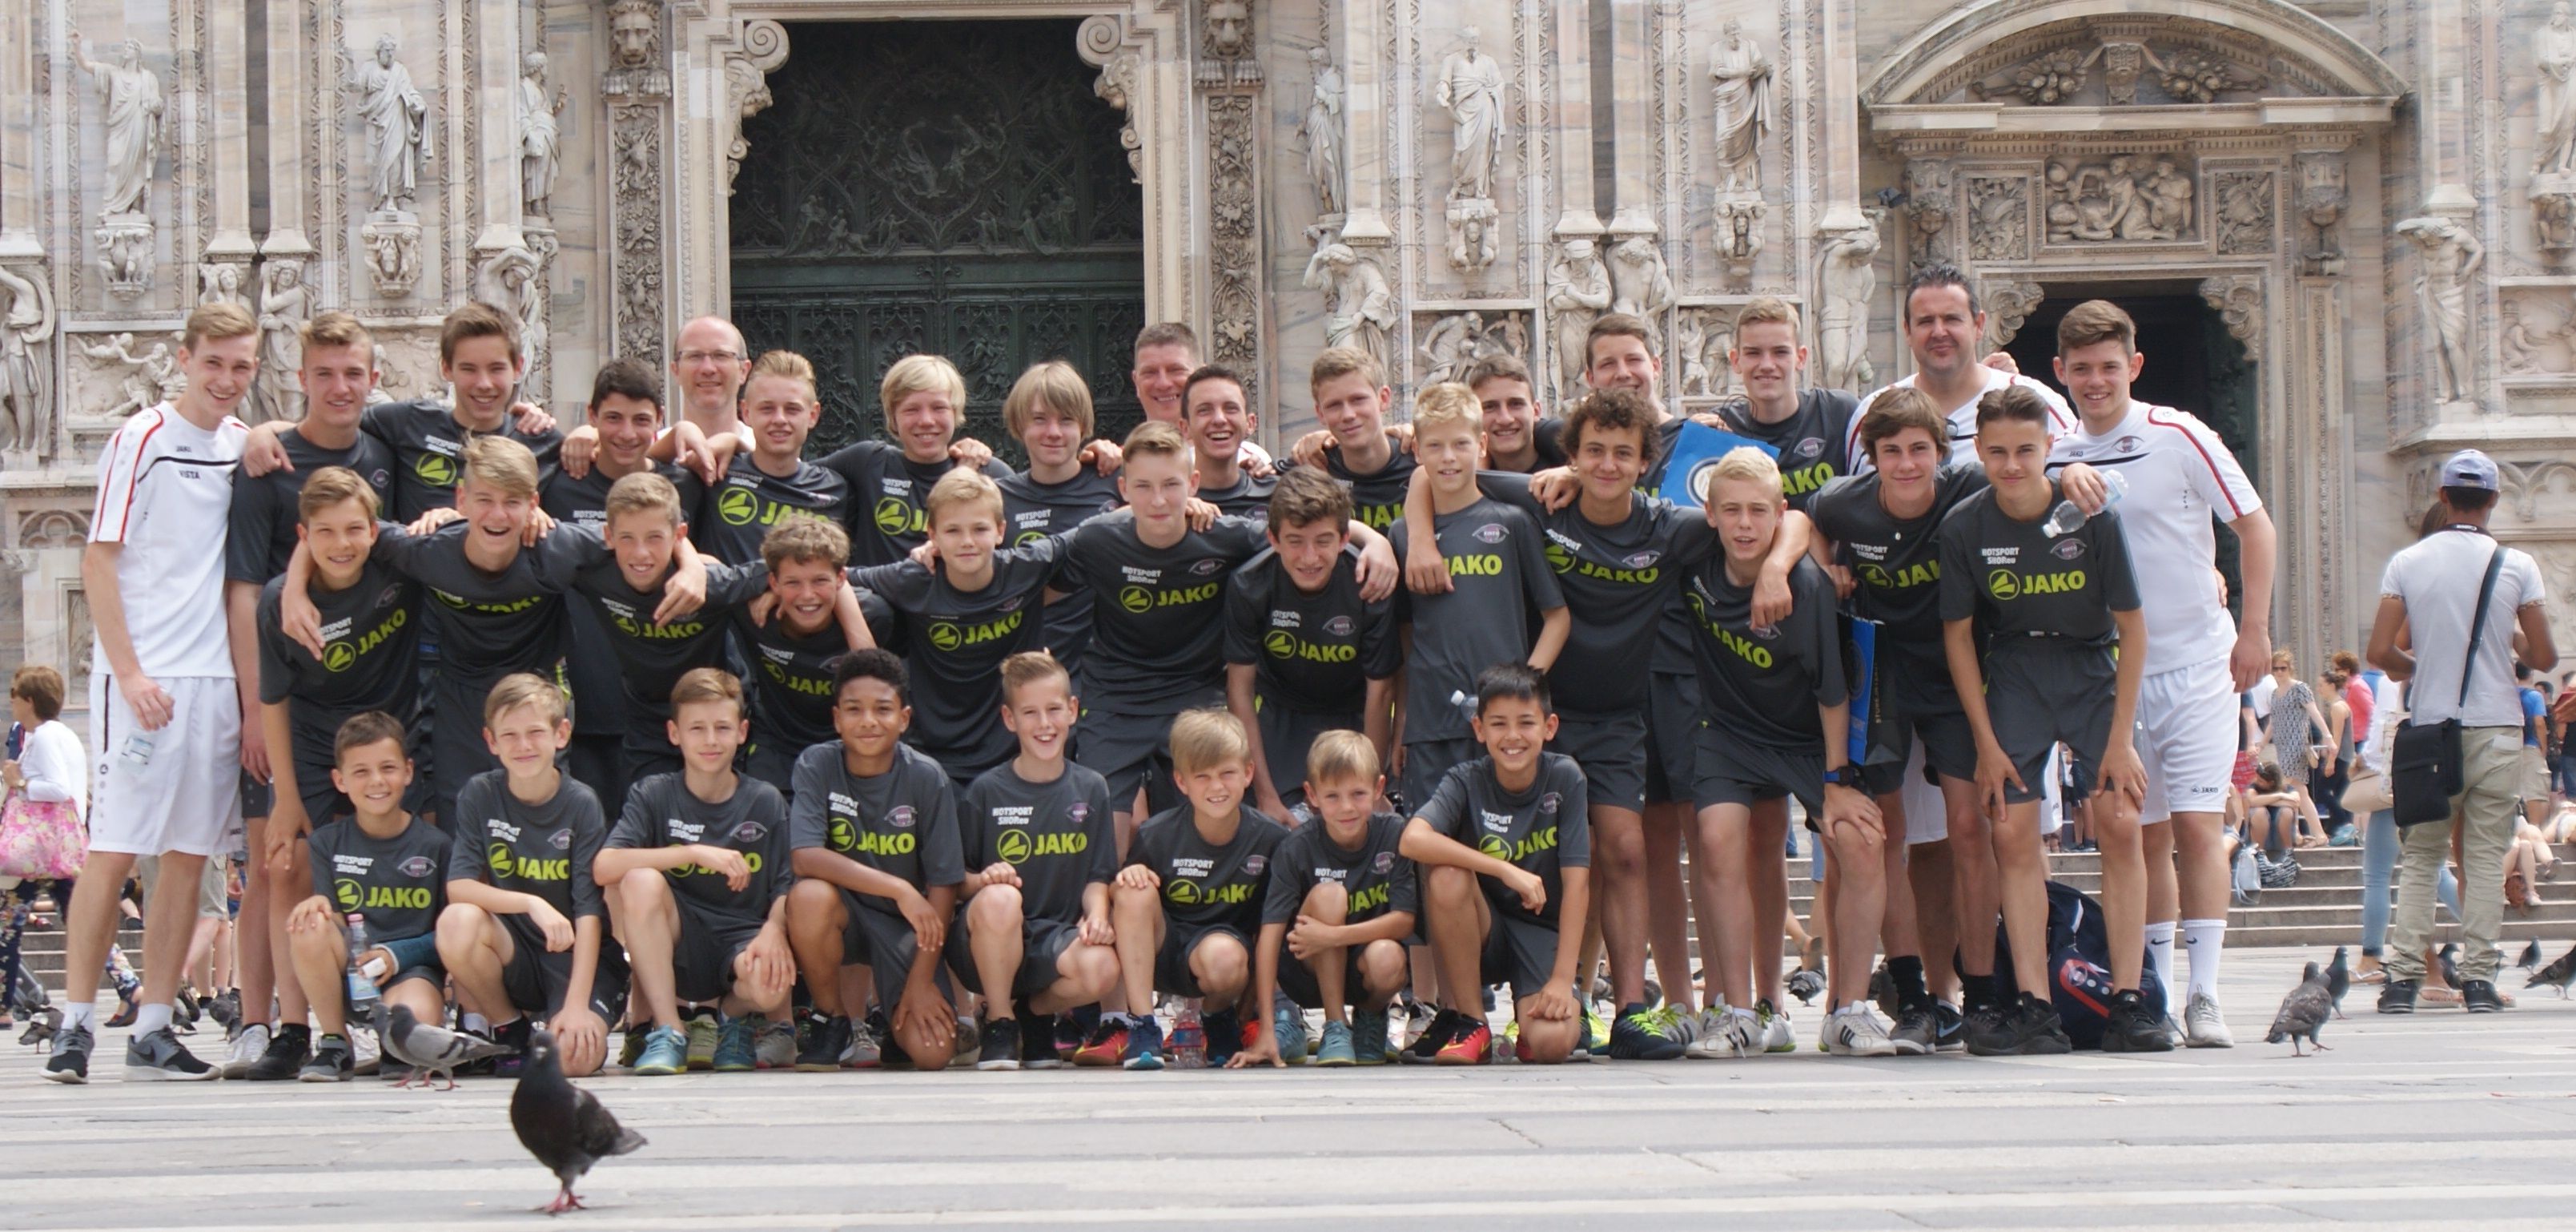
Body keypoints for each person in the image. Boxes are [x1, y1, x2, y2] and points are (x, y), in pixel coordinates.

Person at [1409, 387, 1720, 1059]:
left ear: (1644, 463)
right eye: (1593, 452)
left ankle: (1629, 1007)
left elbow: (1781, 515)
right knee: (1505, 859)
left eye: (1622, 454)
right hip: (1532, 716)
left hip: (1612, 718)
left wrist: (1778, 565)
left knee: (1624, 851)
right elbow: (1432, 471)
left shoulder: (1669, 526)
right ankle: (1488, 1007)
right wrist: (1414, 539)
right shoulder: (1537, 501)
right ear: (1571, 456)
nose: (1607, 465)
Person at [2044, 298, 2273, 1049]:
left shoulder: (2179, 434)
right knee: (2140, 836)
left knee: (2198, 828)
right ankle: (2156, 993)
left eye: (2108, 367)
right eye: (2081, 369)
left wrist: (2253, 628)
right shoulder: (2053, 457)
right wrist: (2062, 474)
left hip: (2197, 661)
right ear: (2061, 372)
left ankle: (2206, 993)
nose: (2096, 381)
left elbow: (2253, 525)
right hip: (2114, 677)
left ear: (2133, 366)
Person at [51, 303, 255, 1085]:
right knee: (113, 847)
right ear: (184, 359)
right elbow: (98, 559)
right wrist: (130, 672)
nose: (226, 379)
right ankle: (74, 1022)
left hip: (215, 680)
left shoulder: (241, 445)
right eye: (214, 363)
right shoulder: (141, 438)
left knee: (188, 856)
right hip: (145, 679)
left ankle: (156, 1024)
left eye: (241, 366)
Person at [1938, 383, 2150, 1055]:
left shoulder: (2089, 515)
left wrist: (2120, 740)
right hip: (2016, 672)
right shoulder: (1965, 526)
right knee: (2010, 833)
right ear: (1978, 450)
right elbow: (1957, 637)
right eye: (1997, 452)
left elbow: (2133, 628)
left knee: (2120, 821)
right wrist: (1984, 743)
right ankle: (2034, 1003)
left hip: (2089, 669)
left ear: (2048, 448)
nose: (2011, 465)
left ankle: (2128, 998)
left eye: (2025, 451)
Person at [1051, 421, 1394, 833]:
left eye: (1171, 485)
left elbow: (1312, 529)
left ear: (1193, 484)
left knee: (1211, 823)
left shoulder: (1228, 538)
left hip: (1195, 697)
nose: (1158, 499)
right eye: (1143, 487)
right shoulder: (1097, 539)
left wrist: (1377, 542)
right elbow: (1037, 586)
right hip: (1116, 700)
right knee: (1106, 838)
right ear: (1124, 489)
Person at [221, 312, 392, 1081]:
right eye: (324, 374)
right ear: (299, 379)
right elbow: (245, 587)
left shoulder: (385, 445)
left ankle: (378, 1018)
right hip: (289, 703)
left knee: (387, 858)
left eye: (352, 373)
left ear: (374, 378)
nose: (339, 387)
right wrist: (253, 710)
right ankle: (275, 1025)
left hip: (379, 711)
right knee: (279, 860)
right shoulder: (267, 463)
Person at [1682, 448, 1883, 1056]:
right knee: (1717, 838)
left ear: (1778, 513)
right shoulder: (1692, 554)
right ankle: (1737, 1011)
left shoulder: (1805, 585)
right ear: (1710, 514)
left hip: (1806, 738)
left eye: (1758, 512)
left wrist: (1837, 783)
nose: (1744, 524)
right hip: (1730, 733)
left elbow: (1832, 691)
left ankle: (1848, 1011)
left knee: (1860, 841)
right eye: (1731, 511)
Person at [1807, 388, 1991, 1053]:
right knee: (1886, 831)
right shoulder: (1843, 501)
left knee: (1970, 827)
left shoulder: (1970, 487)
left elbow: (2035, 481)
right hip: (1881, 676)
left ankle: (1979, 993)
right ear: (1871, 458)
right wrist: (1820, 567)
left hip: (1953, 673)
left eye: (1919, 449)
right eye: (1891, 451)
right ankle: (1912, 994)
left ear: (1941, 453)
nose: (1906, 464)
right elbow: (1806, 521)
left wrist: (2081, 473)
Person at [2366, 449, 2557, 1013]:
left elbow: (2380, 651)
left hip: (2431, 731)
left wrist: (2422, 668)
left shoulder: (2407, 562)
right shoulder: (2517, 565)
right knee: (2484, 858)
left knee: (2423, 857)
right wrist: (2506, 640)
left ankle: (2403, 980)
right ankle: (2478, 980)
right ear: (2494, 499)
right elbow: (2544, 657)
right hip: (2496, 729)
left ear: (2443, 496)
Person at [249, 466, 423, 1078]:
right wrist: (286, 797)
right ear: (303, 536)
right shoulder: (278, 602)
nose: (342, 543)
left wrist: (441, 516)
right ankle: (301, 1029)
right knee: (286, 865)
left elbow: (456, 535)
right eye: (324, 532)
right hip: (315, 743)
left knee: (425, 854)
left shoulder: (398, 563)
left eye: (353, 529)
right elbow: (273, 700)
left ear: (374, 529)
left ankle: (423, 1004)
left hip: (394, 733)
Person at [595, 669, 794, 1076]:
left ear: (742, 732)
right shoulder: (654, 793)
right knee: (639, 879)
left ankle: (730, 1016)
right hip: (677, 939)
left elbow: (786, 884)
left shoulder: (765, 800)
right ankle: (669, 1030)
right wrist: (693, 852)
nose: (710, 740)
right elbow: (604, 866)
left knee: (770, 983)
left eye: (722, 728)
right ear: (674, 734)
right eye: (697, 728)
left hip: (741, 940)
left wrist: (774, 930)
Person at [1386, 382, 1570, 821]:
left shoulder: (1513, 523)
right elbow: (1406, 634)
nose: (1448, 457)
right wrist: (1403, 723)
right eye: (1435, 446)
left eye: (1460, 444)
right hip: (1432, 725)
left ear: (1482, 445)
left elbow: (1557, 618)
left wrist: (1525, 688)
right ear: (1418, 453)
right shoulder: (1402, 535)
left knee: (1506, 841)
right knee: (1434, 843)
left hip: (1504, 724)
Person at [433, 674, 624, 1077]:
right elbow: (459, 887)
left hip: (575, 958)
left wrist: (576, 1006)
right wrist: (531, 903)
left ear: (561, 734)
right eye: (510, 735)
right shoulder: (480, 794)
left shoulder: (581, 803)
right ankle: (510, 1030)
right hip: (515, 952)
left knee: (574, 1060)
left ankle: (568, 1016)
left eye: (535, 732)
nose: (523, 745)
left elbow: (589, 912)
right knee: (456, 921)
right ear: (491, 741)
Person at [783, 648, 964, 1072]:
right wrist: (898, 887)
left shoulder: (926, 776)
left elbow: (944, 885)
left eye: (882, 709)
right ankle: (832, 1019)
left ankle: (895, 1028)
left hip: (906, 926)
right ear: (836, 719)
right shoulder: (817, 763)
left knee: (932, 1053)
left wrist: (921, 982)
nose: (868, 721)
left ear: (904, 718)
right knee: (808, 896)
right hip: (844, 915)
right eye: (854, 709)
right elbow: (805, 857)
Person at [1400, 663, 1590, 1065]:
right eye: (1499, 724)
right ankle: (1474, 1023)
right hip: (1483, 928)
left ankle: (1533, 1022)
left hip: (1541, 930)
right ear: (1479, 729)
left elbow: (1577, 885)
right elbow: (1412, 839)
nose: (1513, 736)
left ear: (1549, 727)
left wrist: (1561, 979)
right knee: (1446, 875)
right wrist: (1503, 869)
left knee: (1553, 1044)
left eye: (1526, 723)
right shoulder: (1465, 779)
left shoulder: (1565, 777)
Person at [540, 360, 707, 813]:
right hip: (589, 700)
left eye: (641, 420)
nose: (627, 433)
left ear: (659, 421)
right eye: (612, 418)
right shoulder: (560, 483)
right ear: (592, 416)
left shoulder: (685, 484)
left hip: (666, 704)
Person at [949, 650, 1121, 1070]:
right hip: (987, 939)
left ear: (1073, 710)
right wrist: (984, 880)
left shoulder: (1092, 788)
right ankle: (1000, 1023)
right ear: (1010, 719)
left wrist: (1097, 916)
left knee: (1102, 967)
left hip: (1054, 939)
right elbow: (955, 881)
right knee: (1001, 897)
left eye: (1054, 709)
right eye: (1030, 713)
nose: (1044, 724)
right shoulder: (986, 791)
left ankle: (1034, 1015)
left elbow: (1099, 876)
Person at [239, 302, 561, 524]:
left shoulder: (544, 441)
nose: (484, 383)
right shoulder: (407, 423)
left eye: (496, 368)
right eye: (468, 369)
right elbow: (333, 422)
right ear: (446, 369)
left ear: (518, 367)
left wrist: (585, 435)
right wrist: (265, 431)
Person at [1094, 710, 1288, 1069]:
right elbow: (1118, 904)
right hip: (1162, 952)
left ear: (1248, 773)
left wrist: (1259, 1015)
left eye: (1227, 773)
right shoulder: (1157, 834)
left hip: (1223, 958)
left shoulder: (1271, 839)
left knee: (1225, 957)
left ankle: (1218, 1017)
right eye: (1203, 776)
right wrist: (1129, 876)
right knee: (1132, 889)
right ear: (1182, 782)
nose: (1217, 787)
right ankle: (1143, 1024)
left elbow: (1271, 930)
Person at [540, 472, 758, 788]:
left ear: (679, 535)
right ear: (608, 536)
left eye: (655, 538)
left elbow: (777, 570)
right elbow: (527, 531)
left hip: (717, 714)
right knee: (647, 805)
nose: (640, 553)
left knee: (718, 805)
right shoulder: (594, 571)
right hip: (648, 720)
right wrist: (527, 515)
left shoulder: (707, 583)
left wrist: (699, 567)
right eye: (627, 538)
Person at [851, 469, 1062, 791]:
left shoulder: (1028, 566)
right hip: (932, 754)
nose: (967, 541)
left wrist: (1111, 457)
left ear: (1000, 530)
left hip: (1014, 751)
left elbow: (1103, 530)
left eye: (980, 529)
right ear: (932, 535)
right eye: (952, 531)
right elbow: (835, 576)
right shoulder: (914, 579)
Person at [1222, 468, 1400, 820]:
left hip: (1354, 712)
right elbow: (1239, 690)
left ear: (1344, 538)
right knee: (1278, 824)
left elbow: (1381, 693)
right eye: (1295, 541)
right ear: (1273, 539)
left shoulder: (1369, 584)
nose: (1309, 557)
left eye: (1322, 541)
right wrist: (1265, 796)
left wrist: (1371, 785)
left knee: (1359, 815)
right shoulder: (1249, 585)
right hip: (1283, 714)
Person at [283, 711, 450, 1082]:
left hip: (410, 972)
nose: (377, 781)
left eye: (388, 768)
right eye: (361, 772)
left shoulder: (436, 845)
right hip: (351, 974)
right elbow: (334, 921)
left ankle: (394, 1047)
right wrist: (318, 908)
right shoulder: (326, 842)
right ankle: (335, 1042)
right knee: (309, 923)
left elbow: (447, 935)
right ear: (340, 781)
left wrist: (396, 954)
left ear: (408, 771)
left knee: (412, 1030)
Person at [1254, 731, 1417, 1066]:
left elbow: (1404, 921)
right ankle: (1335, 1025)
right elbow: (1269, 936)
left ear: (1378, 788)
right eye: (1332, 796)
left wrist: (1332, 936)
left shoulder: (1394, 834)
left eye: (1358, 793)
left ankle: (1371, 1017)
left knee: (1389, 957)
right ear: (1312, 795)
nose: (1346, 807)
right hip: (1306, 969)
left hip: (1364, 965)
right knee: (1330, 894)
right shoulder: (1296, 847)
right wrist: (1266, 1026)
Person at [1849, 266, 2073, 469]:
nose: (1939, 332)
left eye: (1952, 319)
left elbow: (2078, 480)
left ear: (1979, 325)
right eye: (1926, 321)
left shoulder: (2039, 404)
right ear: (1907, 331)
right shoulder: (1872, 414)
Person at [735, 517, 893, 799]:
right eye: (793, 582)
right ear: (773, 582)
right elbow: (706, 569)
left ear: (841, 579)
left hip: (849, 748)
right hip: (777, 745)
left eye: (820, 581)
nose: (807, 595)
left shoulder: (875, 615)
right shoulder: (753, 612)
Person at [819, 354, 1015, 569]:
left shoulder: (989, 472)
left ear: (955, 412)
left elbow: (1016, 558)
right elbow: (797, 476)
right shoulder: (868, 462)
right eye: (911, 410)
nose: (926, 421)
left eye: (939, 408)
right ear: (893, 417)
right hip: (875, 589)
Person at [996, 361, 1123, 674]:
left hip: (1106, 670)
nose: (1053, 432)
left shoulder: (1118, 483)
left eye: (1066, 420)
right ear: (1019, 424)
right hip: (1027, 672)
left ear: (1083, 425)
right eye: (1039, 419)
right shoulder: (997, 498)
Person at [690, 350, 851, 566]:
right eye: (767, 409)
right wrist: (682, 431)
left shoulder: (837, 490)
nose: (779, 419)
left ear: (813, 415)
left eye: (792, 409)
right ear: (746, 412)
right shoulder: (716, 473)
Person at [1714, 298, 1857, 507]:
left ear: (1801, 358)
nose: (1767, 365)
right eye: (1753, 353)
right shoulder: (1718, 428)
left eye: (1780, 352)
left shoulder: (1840, 413)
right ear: (1735, 361)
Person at [1296, 348, 1418, 530]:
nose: (1348, 415)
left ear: (1383, 398)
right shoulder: (1313, 468)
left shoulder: (1422, 461)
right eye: (1334, 405)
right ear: (1320, 413)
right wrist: (1255, 463)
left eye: (1358, 400)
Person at [1183, 365, 1275, 519]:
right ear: (1185, 428)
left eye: (1231, 408)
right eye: (1204, 410)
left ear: (1250, 423)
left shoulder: (1278, 496)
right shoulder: (1168, 504)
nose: (1219, 419)